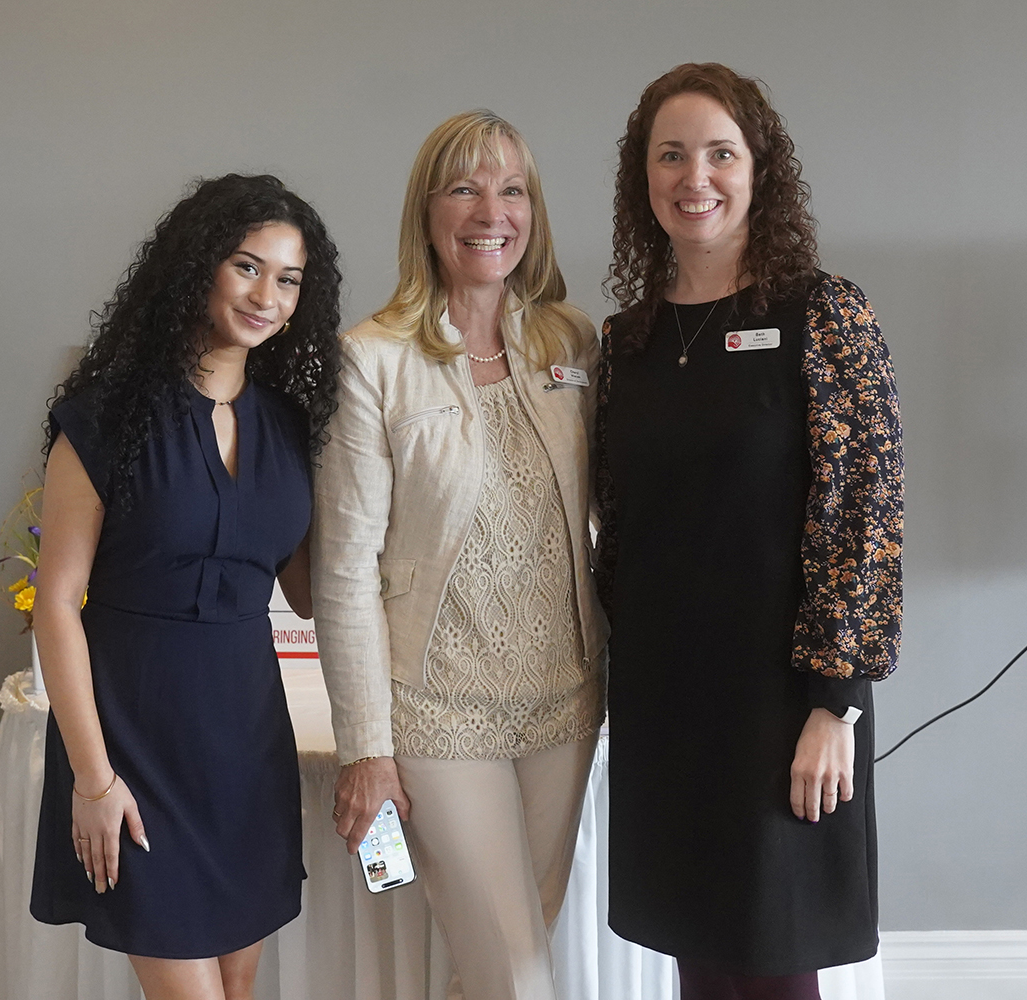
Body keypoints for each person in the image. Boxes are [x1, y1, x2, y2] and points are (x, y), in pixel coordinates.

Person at [595, 64, 904, 1000]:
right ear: (641, 180)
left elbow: (867, 514)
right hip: (662, 699)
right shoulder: (627, 343)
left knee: (773, 958)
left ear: (758, 169)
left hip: (781, 701)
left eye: (721, 154)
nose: (696, 178)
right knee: (698, 954)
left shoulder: (823, 315)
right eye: (672, 155)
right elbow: (621, 521)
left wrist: (833, 702)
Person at [311, 110, 608, 1000]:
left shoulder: (570, 342)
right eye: (465, 188)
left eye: (511, 189)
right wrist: (366, 745)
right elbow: (343, 568)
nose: (492, 210)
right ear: (428, 212)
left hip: (565, 700)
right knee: (518, 973)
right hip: (438, 711)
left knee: (500, 964)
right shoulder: (372, 359)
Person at [29, 174, 342, 1000]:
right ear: (196, 267)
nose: (265, 295)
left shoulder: (290, 424)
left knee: (238, 992)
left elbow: (310, 592)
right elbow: (57, 604)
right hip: (132, 736)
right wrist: (93, 781)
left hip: (244, 739)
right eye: (246, 266)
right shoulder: (104, 415)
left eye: (287, 279)